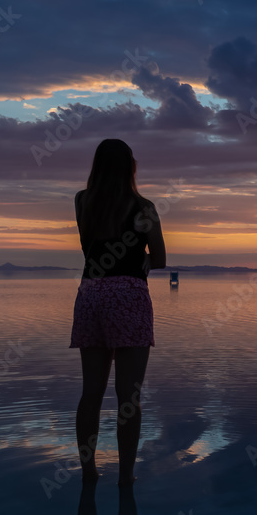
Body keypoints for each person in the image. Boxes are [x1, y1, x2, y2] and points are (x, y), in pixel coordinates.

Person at [70, 138, 166, 486]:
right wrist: (143, 258)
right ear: (130, 167)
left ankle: (89, 472)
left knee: (91, 392)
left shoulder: (82, 201)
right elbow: (160, 258)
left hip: (91, 293)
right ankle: (126, 476)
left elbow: (87, 246)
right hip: (128, 294)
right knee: (128, 396)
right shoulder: (143, 206)